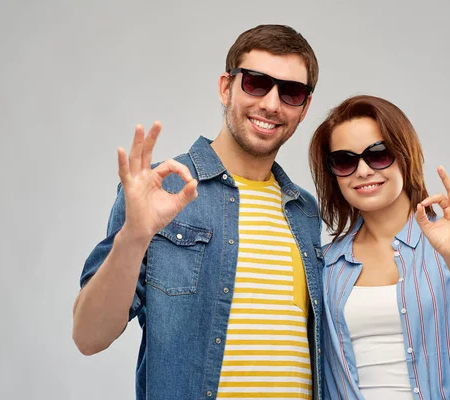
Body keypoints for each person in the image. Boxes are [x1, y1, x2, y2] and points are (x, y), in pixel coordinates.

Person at [73, 24, 325, 400]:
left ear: (303, 109)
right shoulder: (159, 189)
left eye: (290, 92)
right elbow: (89, 336)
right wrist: (134, 237)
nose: (271, 104)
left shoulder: (305, 212)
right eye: (256, 83)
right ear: (226, 87)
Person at [309, 95, 450, 399]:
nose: (363, 171)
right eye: (345, 161)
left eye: (378, 154)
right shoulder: (326, 265)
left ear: (404, 155)